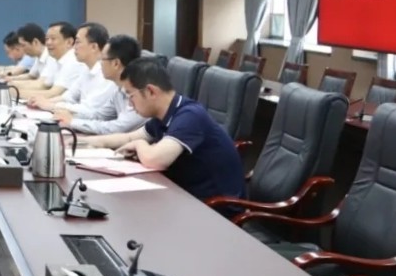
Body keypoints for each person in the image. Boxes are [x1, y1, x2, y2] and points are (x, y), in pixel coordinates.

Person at [84, 58, 245, 202]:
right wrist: (84, 142)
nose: (130, 104)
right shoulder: (163, 115)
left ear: (151, 91)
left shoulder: (190, 116)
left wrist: (140, 145)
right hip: (185, 195)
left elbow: (155, 159)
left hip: (215, 207)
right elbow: (129, 138)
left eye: (130, 96)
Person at [60, 34, 147, 135]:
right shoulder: (118, 90)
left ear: (116, 63)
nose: (100, 63)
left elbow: (117, 128)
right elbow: (99, 115)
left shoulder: (140, 91)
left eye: (102, 59)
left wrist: (73, 122)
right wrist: (69, 115)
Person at [32, 22, 114, 114]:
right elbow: (68, 97)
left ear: (94, 47)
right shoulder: (86, 69)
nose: (74, 47)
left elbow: (89, 110)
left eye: (77, 42)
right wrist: (42, 102)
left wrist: (50, 105)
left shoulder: (106, 74)